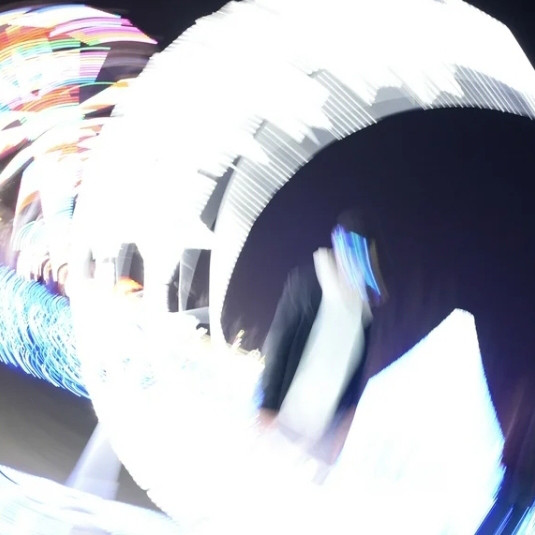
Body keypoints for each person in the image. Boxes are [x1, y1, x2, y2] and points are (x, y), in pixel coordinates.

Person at [258, 210, 386, 462]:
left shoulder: (363, 310)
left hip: (319, 436)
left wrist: (345, 421)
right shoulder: (309, 282)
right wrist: (269, 404)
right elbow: (279, 340)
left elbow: (356, 372)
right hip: (282, 419)